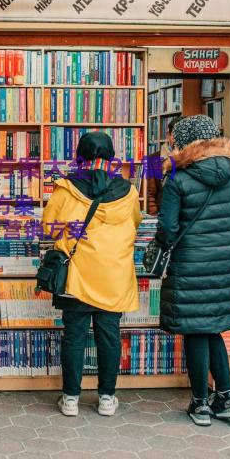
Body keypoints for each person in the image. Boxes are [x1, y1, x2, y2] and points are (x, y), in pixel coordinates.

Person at [154, 115, 230, 427]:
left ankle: (200, 403)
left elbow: (168, 228)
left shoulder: (177, 178)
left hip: (188, 265)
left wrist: (168, 247)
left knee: (196, 332)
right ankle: (227, 397)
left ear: (184, 143)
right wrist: (226, 248)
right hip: (222, 266)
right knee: (212, 329)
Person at [42, 132, 143, 418]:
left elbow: (50, 227)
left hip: (77, 275)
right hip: (113, 275)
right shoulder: (129, 191)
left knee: (74, 337)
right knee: (109, 338)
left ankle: (71, 399)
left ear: (79, 156)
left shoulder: (66, 188)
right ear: (111, 158)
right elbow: (135, 222)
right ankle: (107, 398)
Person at [146, 115, 183, 215]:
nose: (179, 139)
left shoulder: (192, 158)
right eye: (176, 135)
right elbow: (150, 195)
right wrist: (155, 218)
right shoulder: (153, 159)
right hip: (164, 215)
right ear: (168, 135)